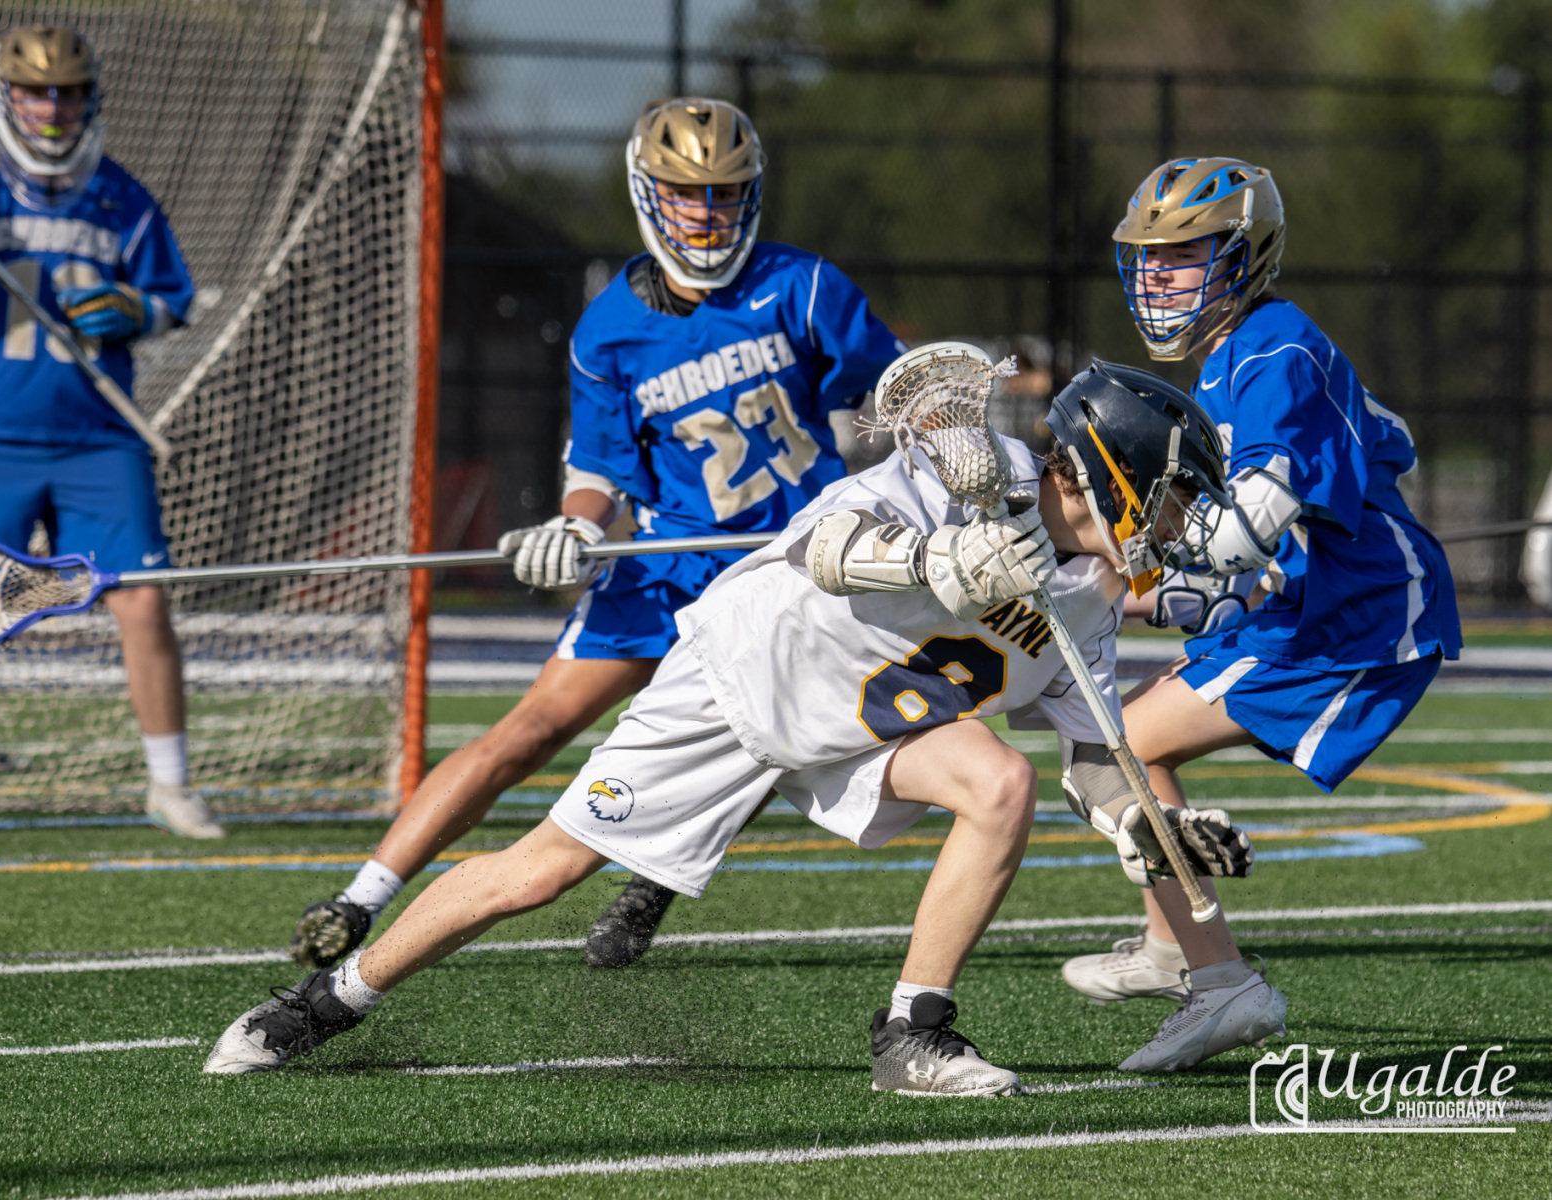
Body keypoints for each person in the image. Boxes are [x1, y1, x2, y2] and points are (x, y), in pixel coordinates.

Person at [204, 348, 1259, 1088]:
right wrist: (936, 557)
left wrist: (1148, 828)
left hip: (865, 728)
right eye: (1174, 496)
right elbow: (824, 545)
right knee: (539, 873)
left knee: (1001, 779)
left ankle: (913, 1033)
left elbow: (1095, 755)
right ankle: (323, 1003)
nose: (1181, 525)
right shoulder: (974, 474)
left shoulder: (1088, 600)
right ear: (1114, 475)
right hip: (743, 681)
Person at [286, 97, 905, 973]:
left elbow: (897, 393)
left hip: (782, 570)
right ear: (647, 192)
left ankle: (651, 883)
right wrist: (571, 527)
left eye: (724, 192)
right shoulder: (610, 327)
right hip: (663, 566)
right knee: (534, 726)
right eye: (684, 192)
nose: (705, 212)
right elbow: (601, 472)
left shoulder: (802, 287)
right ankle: (360, 897)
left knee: (770, 729)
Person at [1059, 157, 1462, 1072]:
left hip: (1355, 611)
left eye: (1182, 255)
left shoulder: (1273, 348)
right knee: (1118, 734)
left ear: (1244, 255)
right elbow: (1381, 443)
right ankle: (1175, 948)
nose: (1157, 276)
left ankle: (1216, 979)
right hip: (1312, 598)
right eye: (1147, 258)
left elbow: (1249, 522)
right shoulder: (1245, 353)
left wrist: (1125, 563)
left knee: (1124, 748)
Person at [0, 27, 210, 837]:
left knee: (142, 604)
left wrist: (133, 312)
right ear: (5, 96)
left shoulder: (123, 199)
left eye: (67, 92)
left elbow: (174, 301)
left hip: (100, 437)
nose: (52, 108)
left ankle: (170, 785)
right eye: (34, 92)